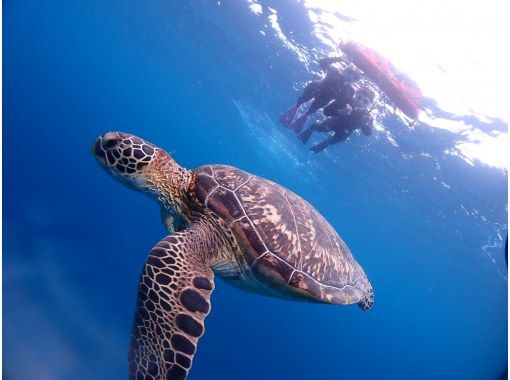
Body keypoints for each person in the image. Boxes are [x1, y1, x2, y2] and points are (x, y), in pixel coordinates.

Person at [279, 65, 360, 133]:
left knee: (311, 111)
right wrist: (340, 58)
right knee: (302, 100)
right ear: (344, 70)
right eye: (349, 72)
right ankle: (296, 108)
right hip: (315, 88)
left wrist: (345, 109)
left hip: (324, 99)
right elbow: (322, 62)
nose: (350, 77)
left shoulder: (350, 91)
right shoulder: (334, 72)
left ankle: (303, 116)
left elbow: (340, 104)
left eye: (355, 77)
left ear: (357, 81)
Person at [298, 87, 375, 153]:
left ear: (369, 105)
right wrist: (339, 112)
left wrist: (365, 125)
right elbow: (327, 111)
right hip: (334, 122)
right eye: (359, 98)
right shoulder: (347, 102)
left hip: (345, 131)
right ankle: (311, 128)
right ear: (355, 97)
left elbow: (368, 132)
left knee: (331, 141)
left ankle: (324, 144)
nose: (360, 102)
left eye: (365, 102)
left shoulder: (368, 117)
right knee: (319, 127)